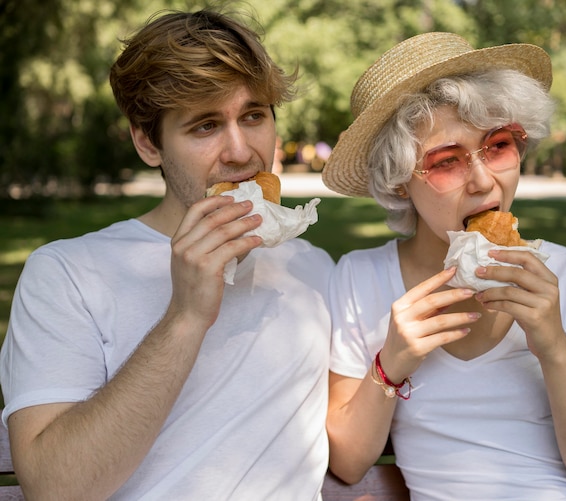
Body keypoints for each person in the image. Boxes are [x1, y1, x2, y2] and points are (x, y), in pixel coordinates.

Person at [0, 6, 334, 500]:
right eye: (205, 126)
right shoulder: (66, 274)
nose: (241, 152)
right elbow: (54, 488)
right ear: (147, 143)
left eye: (253, 116)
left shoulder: (313, 269)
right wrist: (184, 317)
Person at [322, 32, 566, 500]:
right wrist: (393, 361)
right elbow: (348, 462)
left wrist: (553, 345)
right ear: (401, 182)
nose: (485, 181)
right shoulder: (360, 278)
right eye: (447, 162)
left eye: (498, 146)